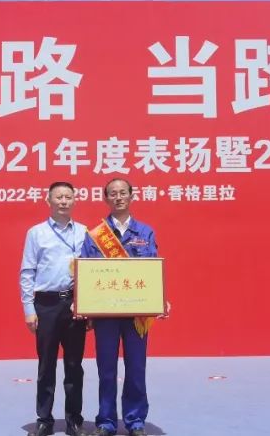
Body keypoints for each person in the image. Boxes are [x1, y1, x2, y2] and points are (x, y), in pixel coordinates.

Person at [81, 178, 169, 436]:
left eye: (122, 193)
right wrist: (84, 304)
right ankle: (106, 422)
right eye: (112, 193)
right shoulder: (96, 235)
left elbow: (152, 268)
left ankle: (135, 421)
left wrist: (159, 298)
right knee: (106, 369)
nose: (118, 197)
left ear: (132, 196)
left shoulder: (145, 232)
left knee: (136, 368)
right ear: (105, 199)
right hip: (106, 313)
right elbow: (87, 271)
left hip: (136, 313)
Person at [19, 181, 91, 436]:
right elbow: (27, 271)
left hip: (75, 304)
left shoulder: (84, 232)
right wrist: (29, 308)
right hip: (46, 304)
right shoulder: (36, 233)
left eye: (68, 197)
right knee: (46, 364)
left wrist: (89, 307)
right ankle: (44, 419)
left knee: (74, 365)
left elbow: (92, 272)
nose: (63, 201)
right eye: (58, 197)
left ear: (75, 201)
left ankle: (74, 420)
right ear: (48, 201)